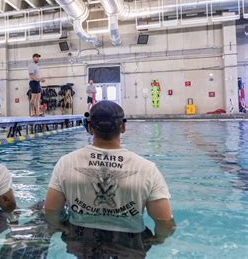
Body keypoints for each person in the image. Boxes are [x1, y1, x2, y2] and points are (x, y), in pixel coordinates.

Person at [44, 101, 175, 258]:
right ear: (123, 127)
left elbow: (51, 210)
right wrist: (159, 238)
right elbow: (164, 221)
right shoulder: (146, 168)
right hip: (129, 242)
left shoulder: (66, 162)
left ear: (90, 127)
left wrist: (60, 226)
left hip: (80, 237)